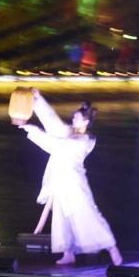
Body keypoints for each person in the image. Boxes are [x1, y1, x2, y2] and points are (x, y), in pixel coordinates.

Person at [18, 88, 123, 266]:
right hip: (60, 181)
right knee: (62, 218)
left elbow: (55, 145)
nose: (73, 120)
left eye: (76, 118)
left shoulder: (84, 140)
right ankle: (68, 253)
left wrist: (34, 130)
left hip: (75, 184)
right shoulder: (70, 132)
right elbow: (52, 122)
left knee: (87, 215)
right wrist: (38, 100)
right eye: (73, 117)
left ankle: (112, 248)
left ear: (85, 122)